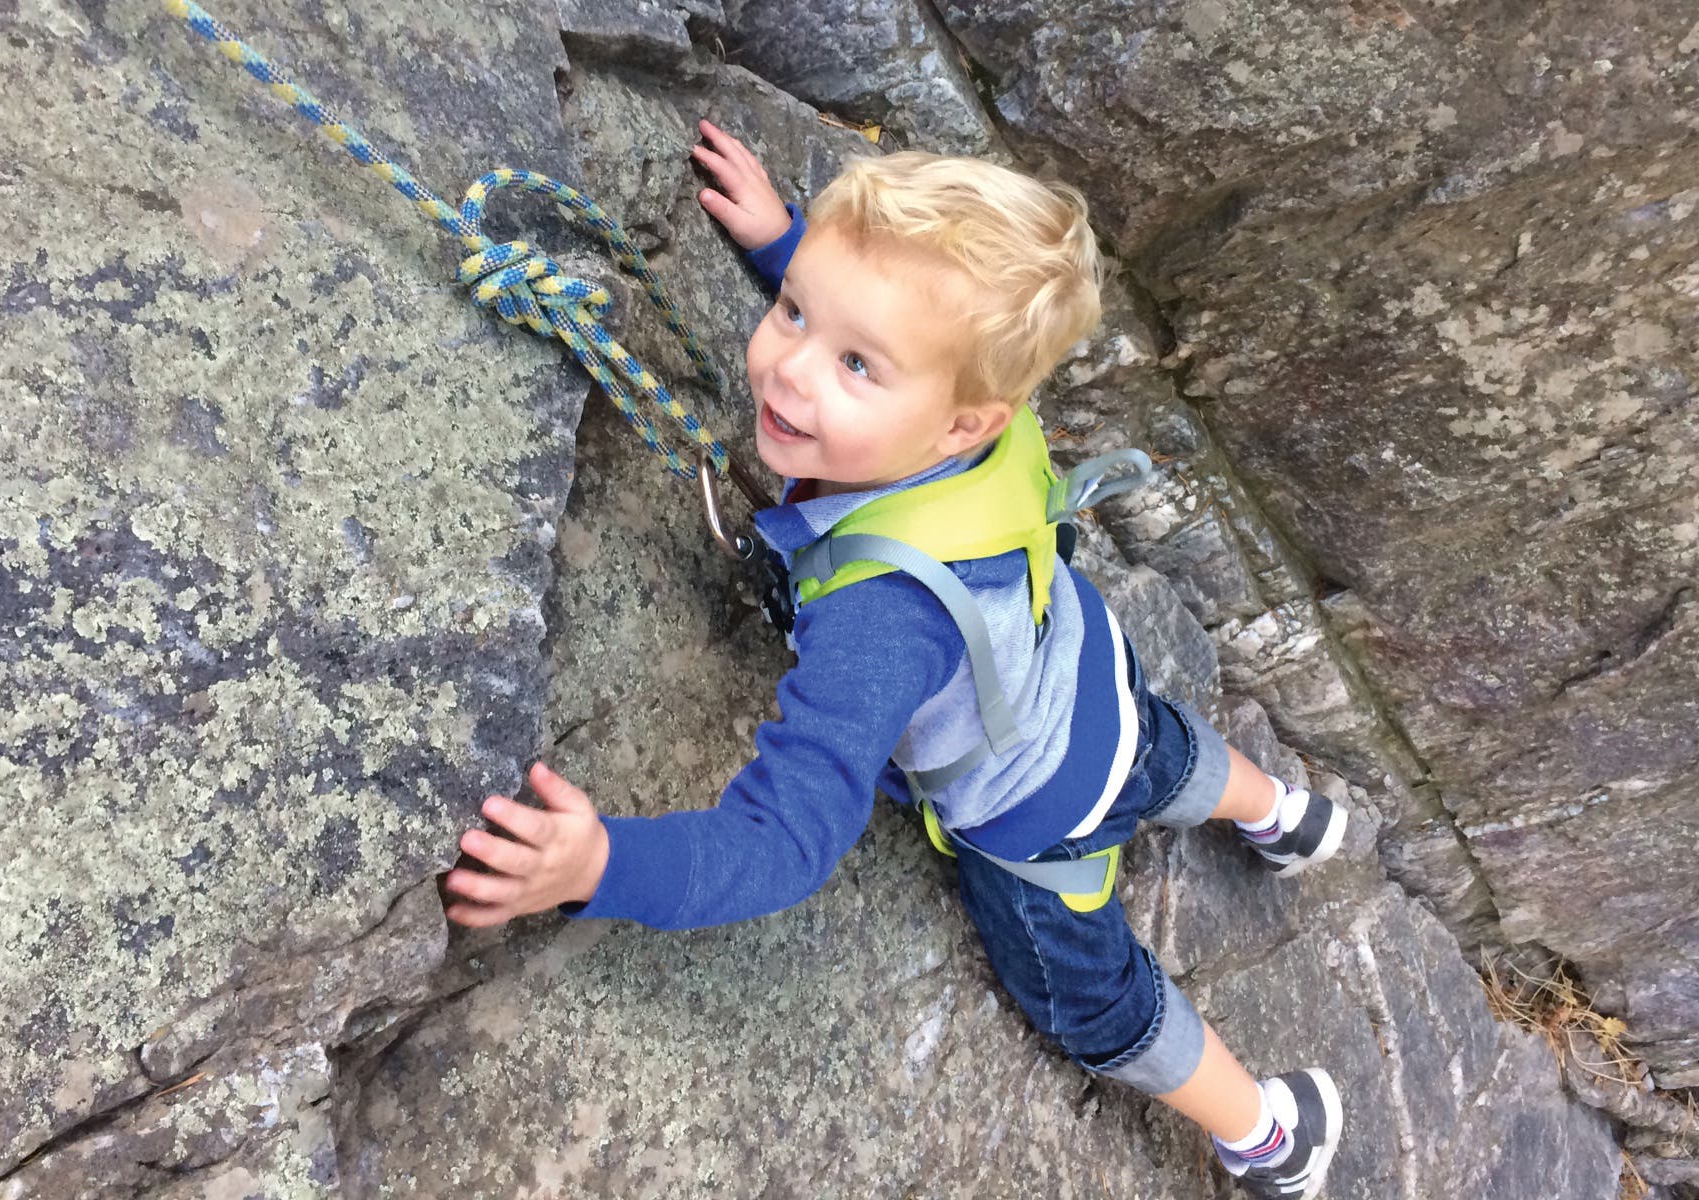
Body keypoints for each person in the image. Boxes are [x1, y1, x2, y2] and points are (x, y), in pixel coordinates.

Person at [444, 120, 1350, 1197]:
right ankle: (1280, 816)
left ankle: (1265, 1136)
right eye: (792, 315)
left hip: (1032, 821)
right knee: (1156, 748)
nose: (786, 371)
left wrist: (601, 868)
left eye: (854, 364)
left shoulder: (883, 622)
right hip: (1085, 677)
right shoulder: (992, 422)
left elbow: (782, 843)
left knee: (1087, 996)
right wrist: (787, 242)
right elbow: (912, 337)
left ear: (961, 423)